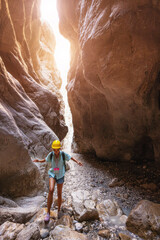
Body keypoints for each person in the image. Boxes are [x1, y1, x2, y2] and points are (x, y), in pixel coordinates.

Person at [33, 139, 83, 221]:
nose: (55, 151)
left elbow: (71, 157)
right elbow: (45, 160)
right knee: (51, 190)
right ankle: (48, 213)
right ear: (53, 149)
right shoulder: (51, 155)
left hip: (60, 175)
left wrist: (77, 162)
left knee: (59, 194)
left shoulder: (63, 154)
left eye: (57, 150)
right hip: (52, 174)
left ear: (59, 149)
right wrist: (39, 160)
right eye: (54, 150)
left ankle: (59, 210)